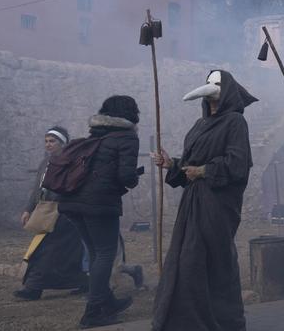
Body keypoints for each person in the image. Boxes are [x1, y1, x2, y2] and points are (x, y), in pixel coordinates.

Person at [152, 70, 257, 331]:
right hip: (194, 202)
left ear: (228, 91)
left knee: (213, 262)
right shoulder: (200, 125)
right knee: (187, 260)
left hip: (217, 205)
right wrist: (172, 165)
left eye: (217, 84)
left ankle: (224, 321)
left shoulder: (235, 122)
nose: (211, 89)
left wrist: (205, 171)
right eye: (209, 83)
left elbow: (238, 164)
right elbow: (190, 167)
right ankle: (187, 322)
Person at [58, 96, 141, 328]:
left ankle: (107, 302)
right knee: (105, 253)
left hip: (72, 202)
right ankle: (93, 311)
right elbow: (126, 176)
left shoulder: (95, 135)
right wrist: (134, 178)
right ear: (129, 114)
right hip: (99, 205)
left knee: (95, 253)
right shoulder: (127, 137)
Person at [15, 126, 88, 300]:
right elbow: (37, 189)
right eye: (46, 141)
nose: (48, 145)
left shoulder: (72, 162)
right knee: (54, 252)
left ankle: (34, 288)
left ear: (63, 143)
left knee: (48, 250)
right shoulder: (45, 163)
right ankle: (83, 281)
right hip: (47, 212)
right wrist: (28, 209)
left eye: (52, 141)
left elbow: (73, 187)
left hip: (65, 214)